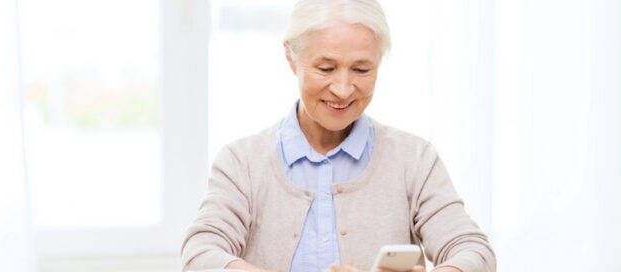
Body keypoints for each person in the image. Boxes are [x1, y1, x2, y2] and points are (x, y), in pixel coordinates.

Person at [181, 0, 496, 271]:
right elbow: (200, 255)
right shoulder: (242, 162)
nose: (343, 90)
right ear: (291, 58)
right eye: (326, 68)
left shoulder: (414, 159)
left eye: (361, 70)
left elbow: (474, 252)